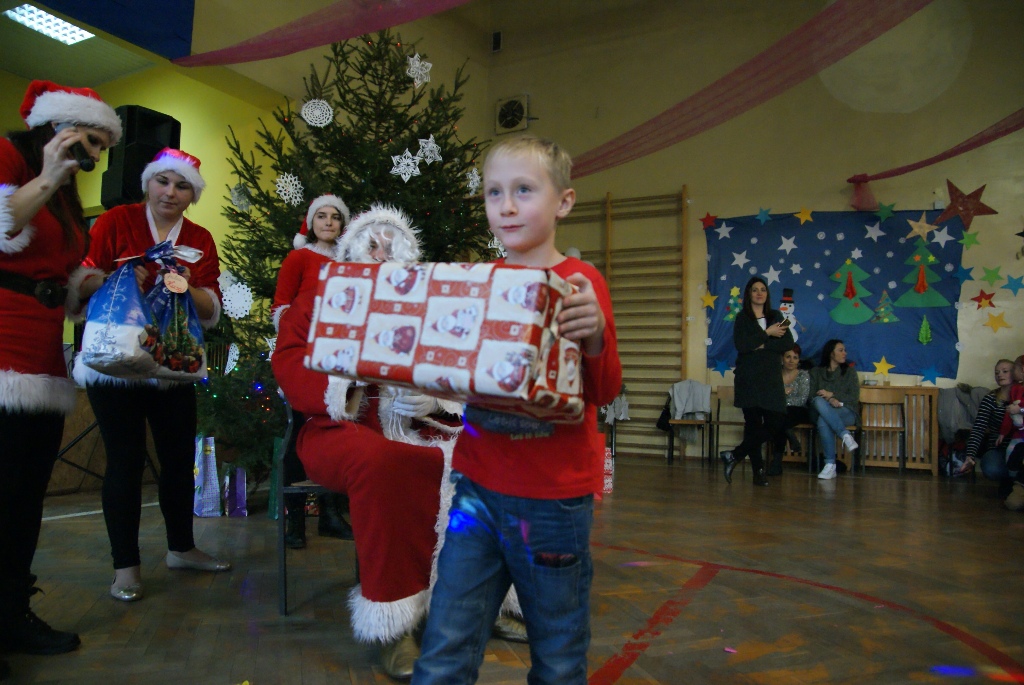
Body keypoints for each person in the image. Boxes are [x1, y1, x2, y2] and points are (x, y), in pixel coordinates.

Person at [273, 204, 526, 680]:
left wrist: (435, 400)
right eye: (372, 242)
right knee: (384, 462)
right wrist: (345, 384)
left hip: (421, 428)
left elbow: (461, 366)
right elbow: (288, 363)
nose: (382, 251)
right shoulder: (320, 299)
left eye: (393, 244)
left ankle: (490, 604)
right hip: (337, 430)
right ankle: (395, 625)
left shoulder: (431, 305)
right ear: (349, 249)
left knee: (491, 458)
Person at [413, 136, 622, 684]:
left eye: (523, 191)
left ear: (564, 201)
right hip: (476, 489)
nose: (506, 206)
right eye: (493, 193)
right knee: (444, 647)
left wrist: (596, 335)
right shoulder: (480, 281)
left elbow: (605, 389)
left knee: (556, 656)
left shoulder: (581, 282)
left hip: (554, 502)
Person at [0, 79, 121, 672]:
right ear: (57, 128)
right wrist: (47, 175)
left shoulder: (70, 198)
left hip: (43, 356)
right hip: (0, 344)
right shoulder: (10, 156)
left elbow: (67, 272)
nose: (91, 158)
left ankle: (11, 612)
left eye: (99, 149)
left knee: (23, 499)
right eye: (87, 142)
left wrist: (102, 285)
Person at [73, 148, 228, 604]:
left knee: (178, 461)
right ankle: (126, 568)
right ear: (148, 184)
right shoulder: (115, 222)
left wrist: (186, 286)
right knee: (124, 462)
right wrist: (120, 277)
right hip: (115, 363)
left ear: (192, 196)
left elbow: (212, 308)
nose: (170, 192)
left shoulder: (199, 237)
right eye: (163, 181)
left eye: (182, 186)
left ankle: (182, 548)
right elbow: (82, 280)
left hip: (171, 366)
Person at [271, 194, 354, 549]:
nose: (329, 222)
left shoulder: (352, 262)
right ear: (311, 222)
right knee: (298, 434)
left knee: (336, 432)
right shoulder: (298, 258)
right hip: (304, 356)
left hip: (340, 359)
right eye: (321, 216)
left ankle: (331, 515)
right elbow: (281, 308)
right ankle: (295, 524)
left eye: (336, 216)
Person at [720, 276, 793, 487]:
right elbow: (742, 345)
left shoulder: (777, 315)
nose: (759, 293)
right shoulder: (743, 317)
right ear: (749, 294)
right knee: (752, 426)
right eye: (755, 290)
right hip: (749, 378)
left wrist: (760, 345)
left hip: (770, 379)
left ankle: (734, 455)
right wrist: (768, 334)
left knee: (776, 421)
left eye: (763, 289)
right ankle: (758, 473)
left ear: (767, 294)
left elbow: (788, 342)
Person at [808, 339, 860, 480]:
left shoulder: (849, 372)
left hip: (846, 411)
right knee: (819, 404)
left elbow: (853, 397)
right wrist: (830, 400)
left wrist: (833, 394)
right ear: (831, 354)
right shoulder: (816, 372)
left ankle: (830, 465)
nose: (845, 353)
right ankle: (844, 435)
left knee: (823, 420)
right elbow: (811, 395)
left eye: (845, 350)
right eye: (840, 350)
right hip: (822, 409)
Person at [961, 359, 1015, 482]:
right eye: (997, 372)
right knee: (992, 468)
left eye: (1005, 371)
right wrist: (970, 455)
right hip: (998, 448)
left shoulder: (1020, 398)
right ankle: (1009, 484)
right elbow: (978, 428)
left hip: (1019, 446)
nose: (1000, 375)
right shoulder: (990, 399)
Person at [769, 343, 810, 475]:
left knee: (779, 420)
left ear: (799, 360)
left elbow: (802, 399)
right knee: (780, 419)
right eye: (788, 357)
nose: (791, 360)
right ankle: (789, 436)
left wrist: (781, 397)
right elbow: (768, 395)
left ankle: (776, 462)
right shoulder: (774, 374)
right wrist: (781, 395)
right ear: (782, 358)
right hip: (778, 411)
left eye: (795, 357)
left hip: (798, 410)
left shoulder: (803, 375)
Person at [997, 355, 1024, 509]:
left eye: (1011, 370)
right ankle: (1014, 483)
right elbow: (1009, 415)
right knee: (1012, 455)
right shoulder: (1015, 390)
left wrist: (1019, 409)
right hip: (1018, 435)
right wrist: (1002, 433)